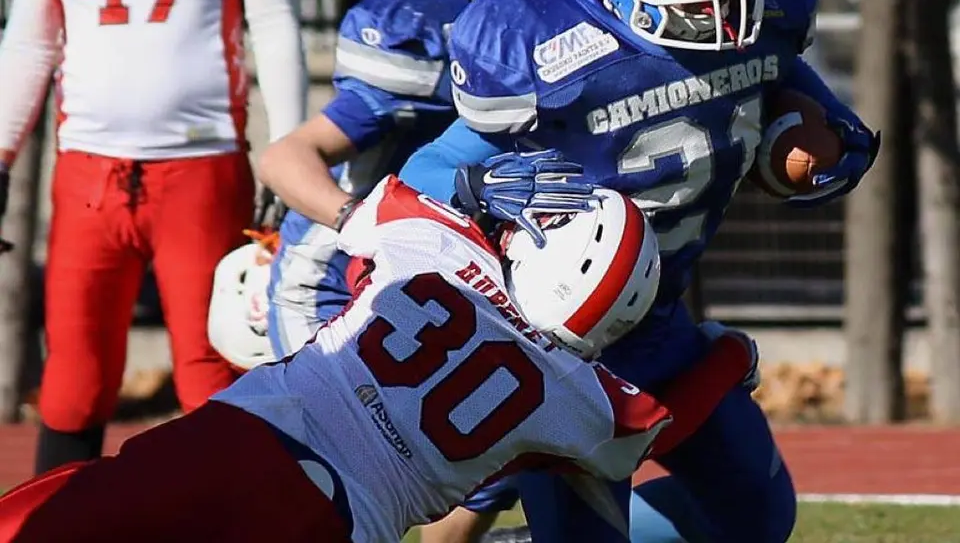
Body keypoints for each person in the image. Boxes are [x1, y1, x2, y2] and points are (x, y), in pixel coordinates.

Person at [399, 0, 879, 543]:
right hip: (562, 352)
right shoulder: (543, 43)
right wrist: (484, 188)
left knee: (758, 518)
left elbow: (819, 119)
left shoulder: (762, 14)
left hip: (661, 327)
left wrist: (817, 145)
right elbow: (427, 171)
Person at [0, 176, 758, 543]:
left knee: (54, 520)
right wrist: (728, 357)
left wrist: (476, 195)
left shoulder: (439, 244)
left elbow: (383, 204)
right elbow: (656, 427)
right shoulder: (575, 394)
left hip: (251, 436)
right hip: (336, 521)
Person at [216, 0, 584, 543]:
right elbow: (286, 157)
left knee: (481, 463)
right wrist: (364, 223)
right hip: (338, 282)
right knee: (340, 488)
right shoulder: (430, 33)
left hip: (448, 285)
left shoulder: (575, 40)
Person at [0, 0, 307, 474]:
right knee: (74, 379)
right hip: (88, 169)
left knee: (212, 372)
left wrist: (289, 150)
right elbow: (29, 40)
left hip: (201, 167)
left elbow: (274, 21)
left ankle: (225, 516)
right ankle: (59, 519)